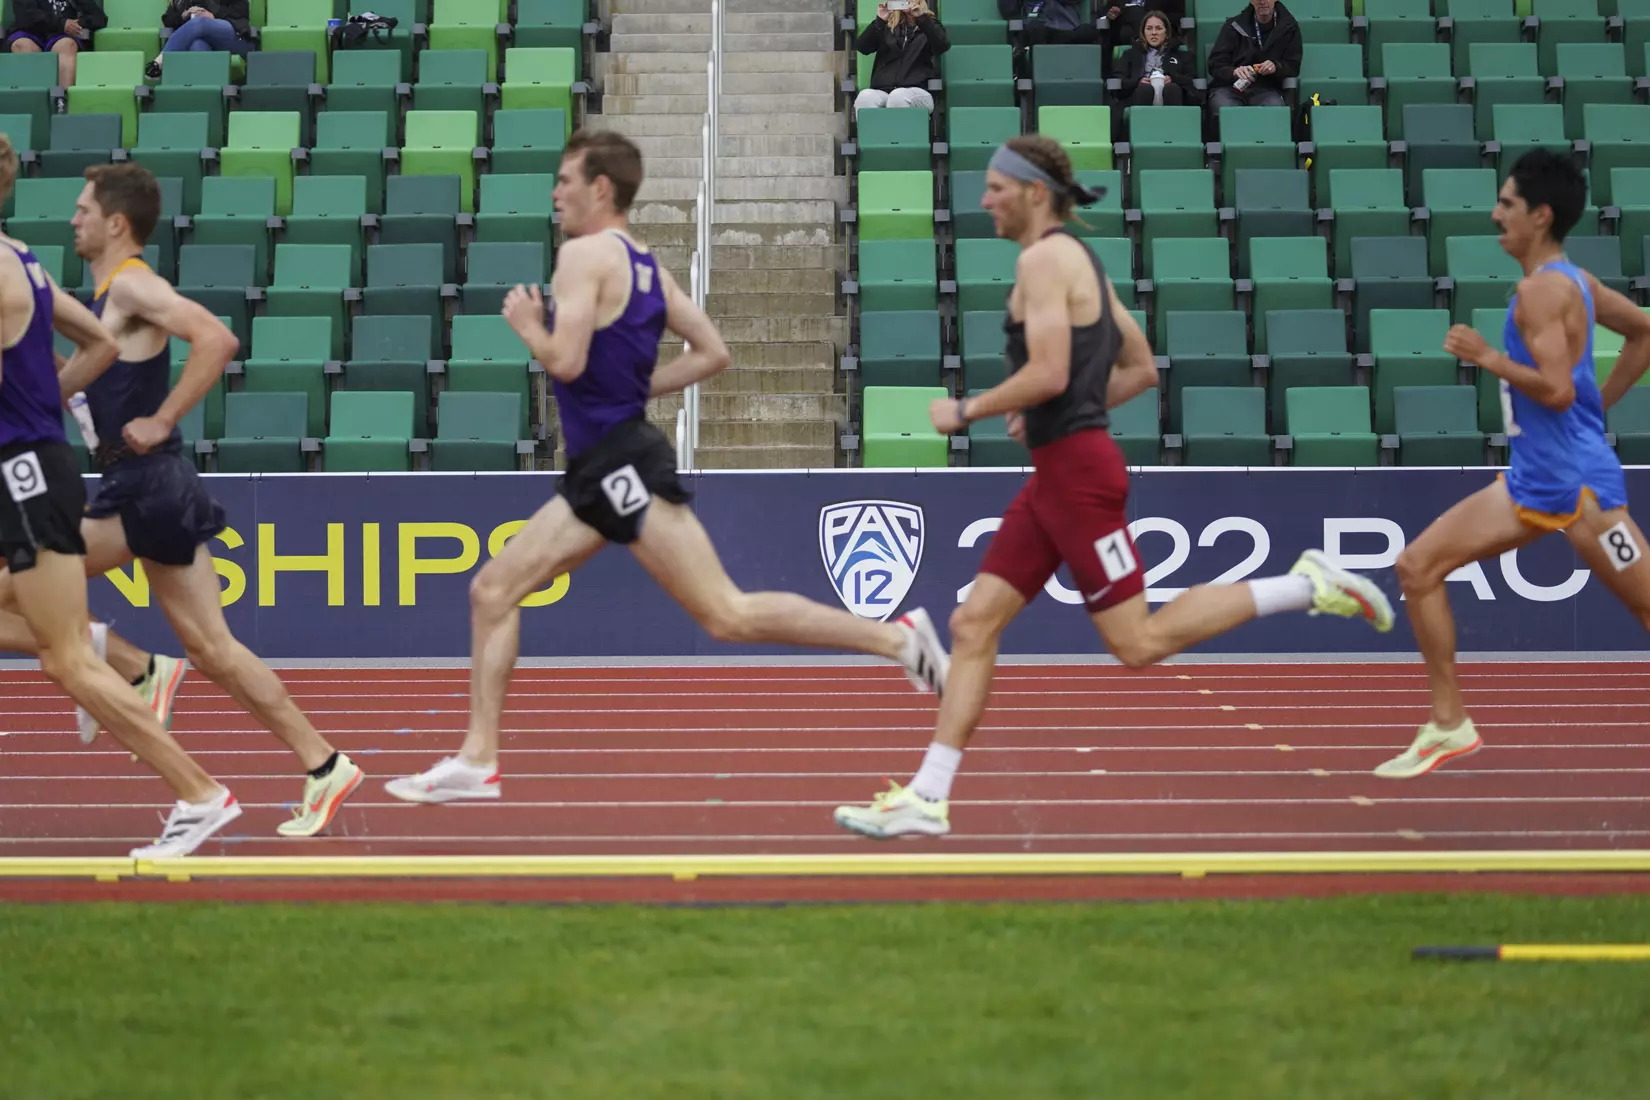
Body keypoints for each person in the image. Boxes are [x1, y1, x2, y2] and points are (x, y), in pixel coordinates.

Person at [831, 135, 1395, 839]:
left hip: (1077, 478)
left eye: (996, 189)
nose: (984, 201)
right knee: (972, 625)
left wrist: (968, 411)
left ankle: (1306, 586)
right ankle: (928, 796)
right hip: (1058, 472)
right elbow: (1141, 369)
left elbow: (1050, 373)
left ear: (1035, 192)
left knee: (1139, 642)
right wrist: (1050, 414)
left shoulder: (1043, 260)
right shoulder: (1084, 264)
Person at [385, 129, 950, 804]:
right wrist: (632, 389)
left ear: (601, 188)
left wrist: (529, 324)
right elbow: (712, 352)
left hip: (620, 464)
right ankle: (478, 759)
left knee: (726, 613)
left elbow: (565, 361)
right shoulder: (648, 266)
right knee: (492, 591)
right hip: (605, 461)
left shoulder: (582, 255)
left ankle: (899, 639)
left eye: (565, 180)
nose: (555, 193)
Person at [0, 162, 365, 841]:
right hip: (147, 486)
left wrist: (163, 417)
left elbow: (217, 338)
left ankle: (125, 661)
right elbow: (80, 382)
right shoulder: (106, 295)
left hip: (143, 485)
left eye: (84, 210)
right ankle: (325, 764)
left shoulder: (132, 284)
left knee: (21, 597)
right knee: (214, 650)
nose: (73, 220)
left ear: (116, 222)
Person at [1375, 149, 1650, 780]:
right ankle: (1448, 723)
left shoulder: (1539, 291)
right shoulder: (1579, 283)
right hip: (1536, 478)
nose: (1496, 215)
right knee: (1418, 566)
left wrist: (1488, 357)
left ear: (1541, 215)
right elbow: (1642, 334)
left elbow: (1556, 389)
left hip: (1576, 486)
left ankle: (1449, 722)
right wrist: (1599, 409)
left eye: (1507, 204)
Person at [0, 135, 238, 859]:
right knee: (67, 649)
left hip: (27, 473)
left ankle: (200, 792)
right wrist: (42, 404)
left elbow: (125, 344)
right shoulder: (22, 259)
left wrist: (34, 414)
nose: (75, 218)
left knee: (67, 660)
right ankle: (122, 656)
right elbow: (98, 344)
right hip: (33, 462)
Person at [853, 0, 948, 120]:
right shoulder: (886, 26)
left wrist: (921, 18)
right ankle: (872, 133)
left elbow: (942, 46)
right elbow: (863, 48)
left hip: (918, 92)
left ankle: (898, 132)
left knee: (898, 97)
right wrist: (879, 21)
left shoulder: (930, 24)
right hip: (884, 90)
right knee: (865, 97)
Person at [1204, 0, 1300, 118]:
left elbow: (1293, 66)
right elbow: (1215, 64)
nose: (1262, 2)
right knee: (1226, 108)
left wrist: (1276, 66)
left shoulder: (1289, 27)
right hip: (1229, 88)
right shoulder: (1234, 25)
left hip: (1267, 89)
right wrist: (1234, 71)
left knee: (1274, 108)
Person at [4, 0, 104, 88]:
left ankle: (59, 96)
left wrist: (77, 24)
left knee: (66, 45)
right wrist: (61, 24)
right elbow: (25, 15)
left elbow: (99, 17)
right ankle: (36, 96)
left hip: (62, 34)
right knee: (22, 45)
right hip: (31, 31)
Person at [147, 1, 254, 80]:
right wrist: (183, 16)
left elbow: (241, 11)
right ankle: (209, 96)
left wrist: (213, 16)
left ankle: (160, 61)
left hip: (236, 36)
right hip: (203, 39)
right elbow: (168, 19)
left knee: (200, 22)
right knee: (197, 46)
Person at [1113, 10, 1197, 108]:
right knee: (1145, 90)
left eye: (1158, 28)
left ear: (1166, 32)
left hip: (1171, 93)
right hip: (1139, 95)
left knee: (1171, 89)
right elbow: (1119, 80)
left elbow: (1190, 80)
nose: (1154, 33)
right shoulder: (1130, 55)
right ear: (1143, 32)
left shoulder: (1181, 55)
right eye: (1149, 28)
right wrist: (1138, 82)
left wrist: (1173, 79)